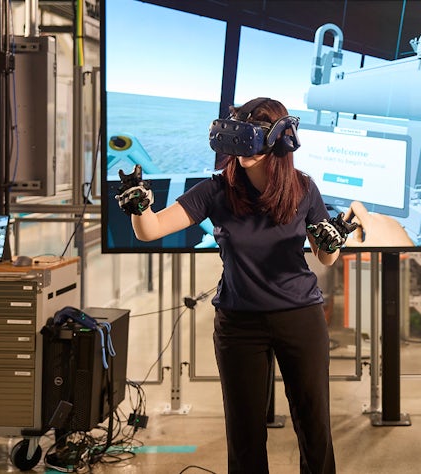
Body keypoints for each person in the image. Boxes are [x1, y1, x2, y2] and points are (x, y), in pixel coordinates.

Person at [115, 97, 354, 473]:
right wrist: (139, 207)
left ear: (279, 140)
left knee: (314, 425)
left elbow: (325, 257)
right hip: (239, 323)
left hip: (300, 317)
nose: (243, 144)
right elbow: (152, 229)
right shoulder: (216, 190)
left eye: (254, 133)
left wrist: (332, 242)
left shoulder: (303, 188)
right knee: (244, 434)